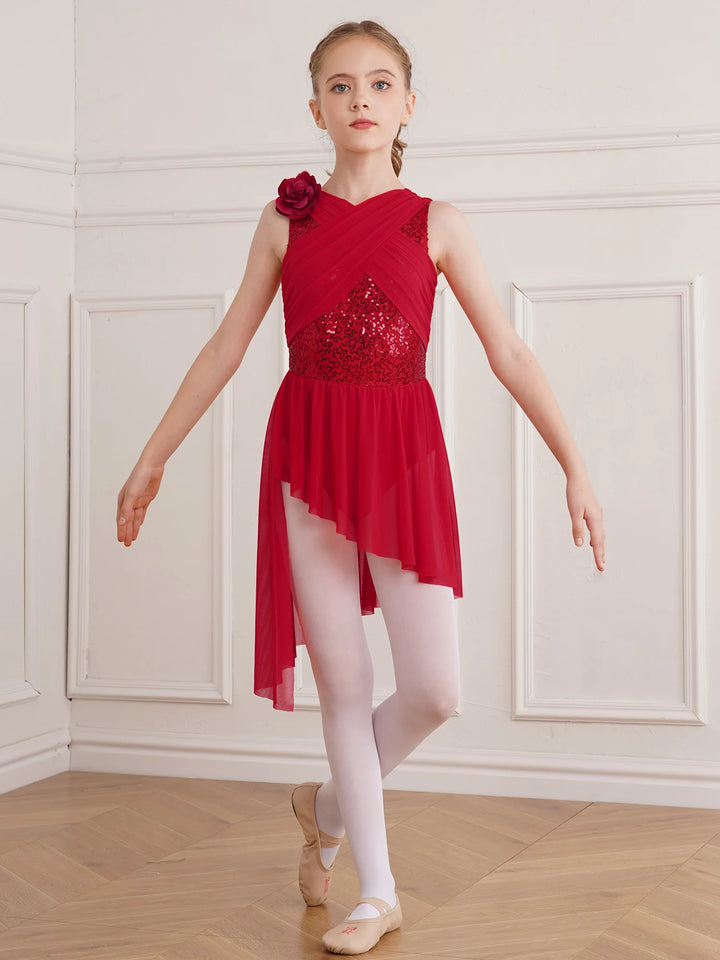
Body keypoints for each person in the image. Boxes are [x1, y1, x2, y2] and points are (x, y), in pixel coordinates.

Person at [116, 19, 606, 956]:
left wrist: (574, 466)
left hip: (402, 457)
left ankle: (327, 808)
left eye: (380, 84)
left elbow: (508, 351)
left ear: (408, 105)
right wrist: (153, 456)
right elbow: (225, 348)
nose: (361, 100)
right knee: (345, 682)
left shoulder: (438, 222)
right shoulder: (284, 222)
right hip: (308, 456)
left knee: (435, 691)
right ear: (316, 109)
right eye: (340, 86)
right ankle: (377, 892)